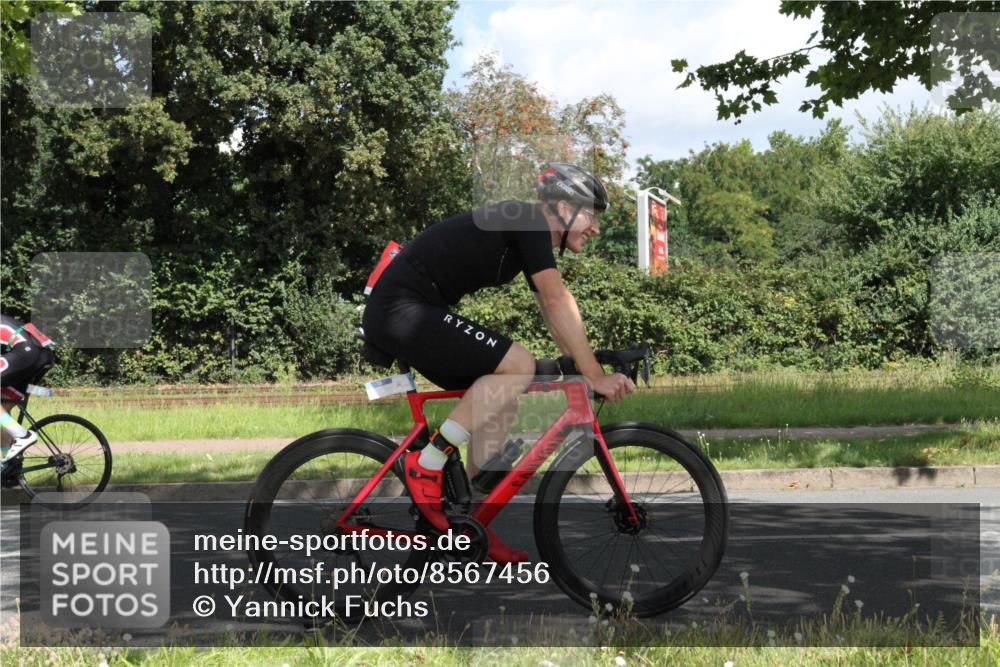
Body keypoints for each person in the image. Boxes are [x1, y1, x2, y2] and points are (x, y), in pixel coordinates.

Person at [361, 163, 636, 562]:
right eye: (591, 216)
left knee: (503, 390)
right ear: (564, 207)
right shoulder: (529, 219)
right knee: (519, 365)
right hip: (402, 309)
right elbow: (557, 299)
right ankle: (427, 463)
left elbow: (552, 309)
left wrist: (581, 365)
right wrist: (593, 374)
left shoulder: (529, 229)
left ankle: (471, 521)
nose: (595, 228)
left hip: (410, 309)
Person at [1, 314, 54, 475]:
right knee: (3, 412)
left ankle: (22, 435)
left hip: (26, 352)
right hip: (41, 353)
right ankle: (9, 469)